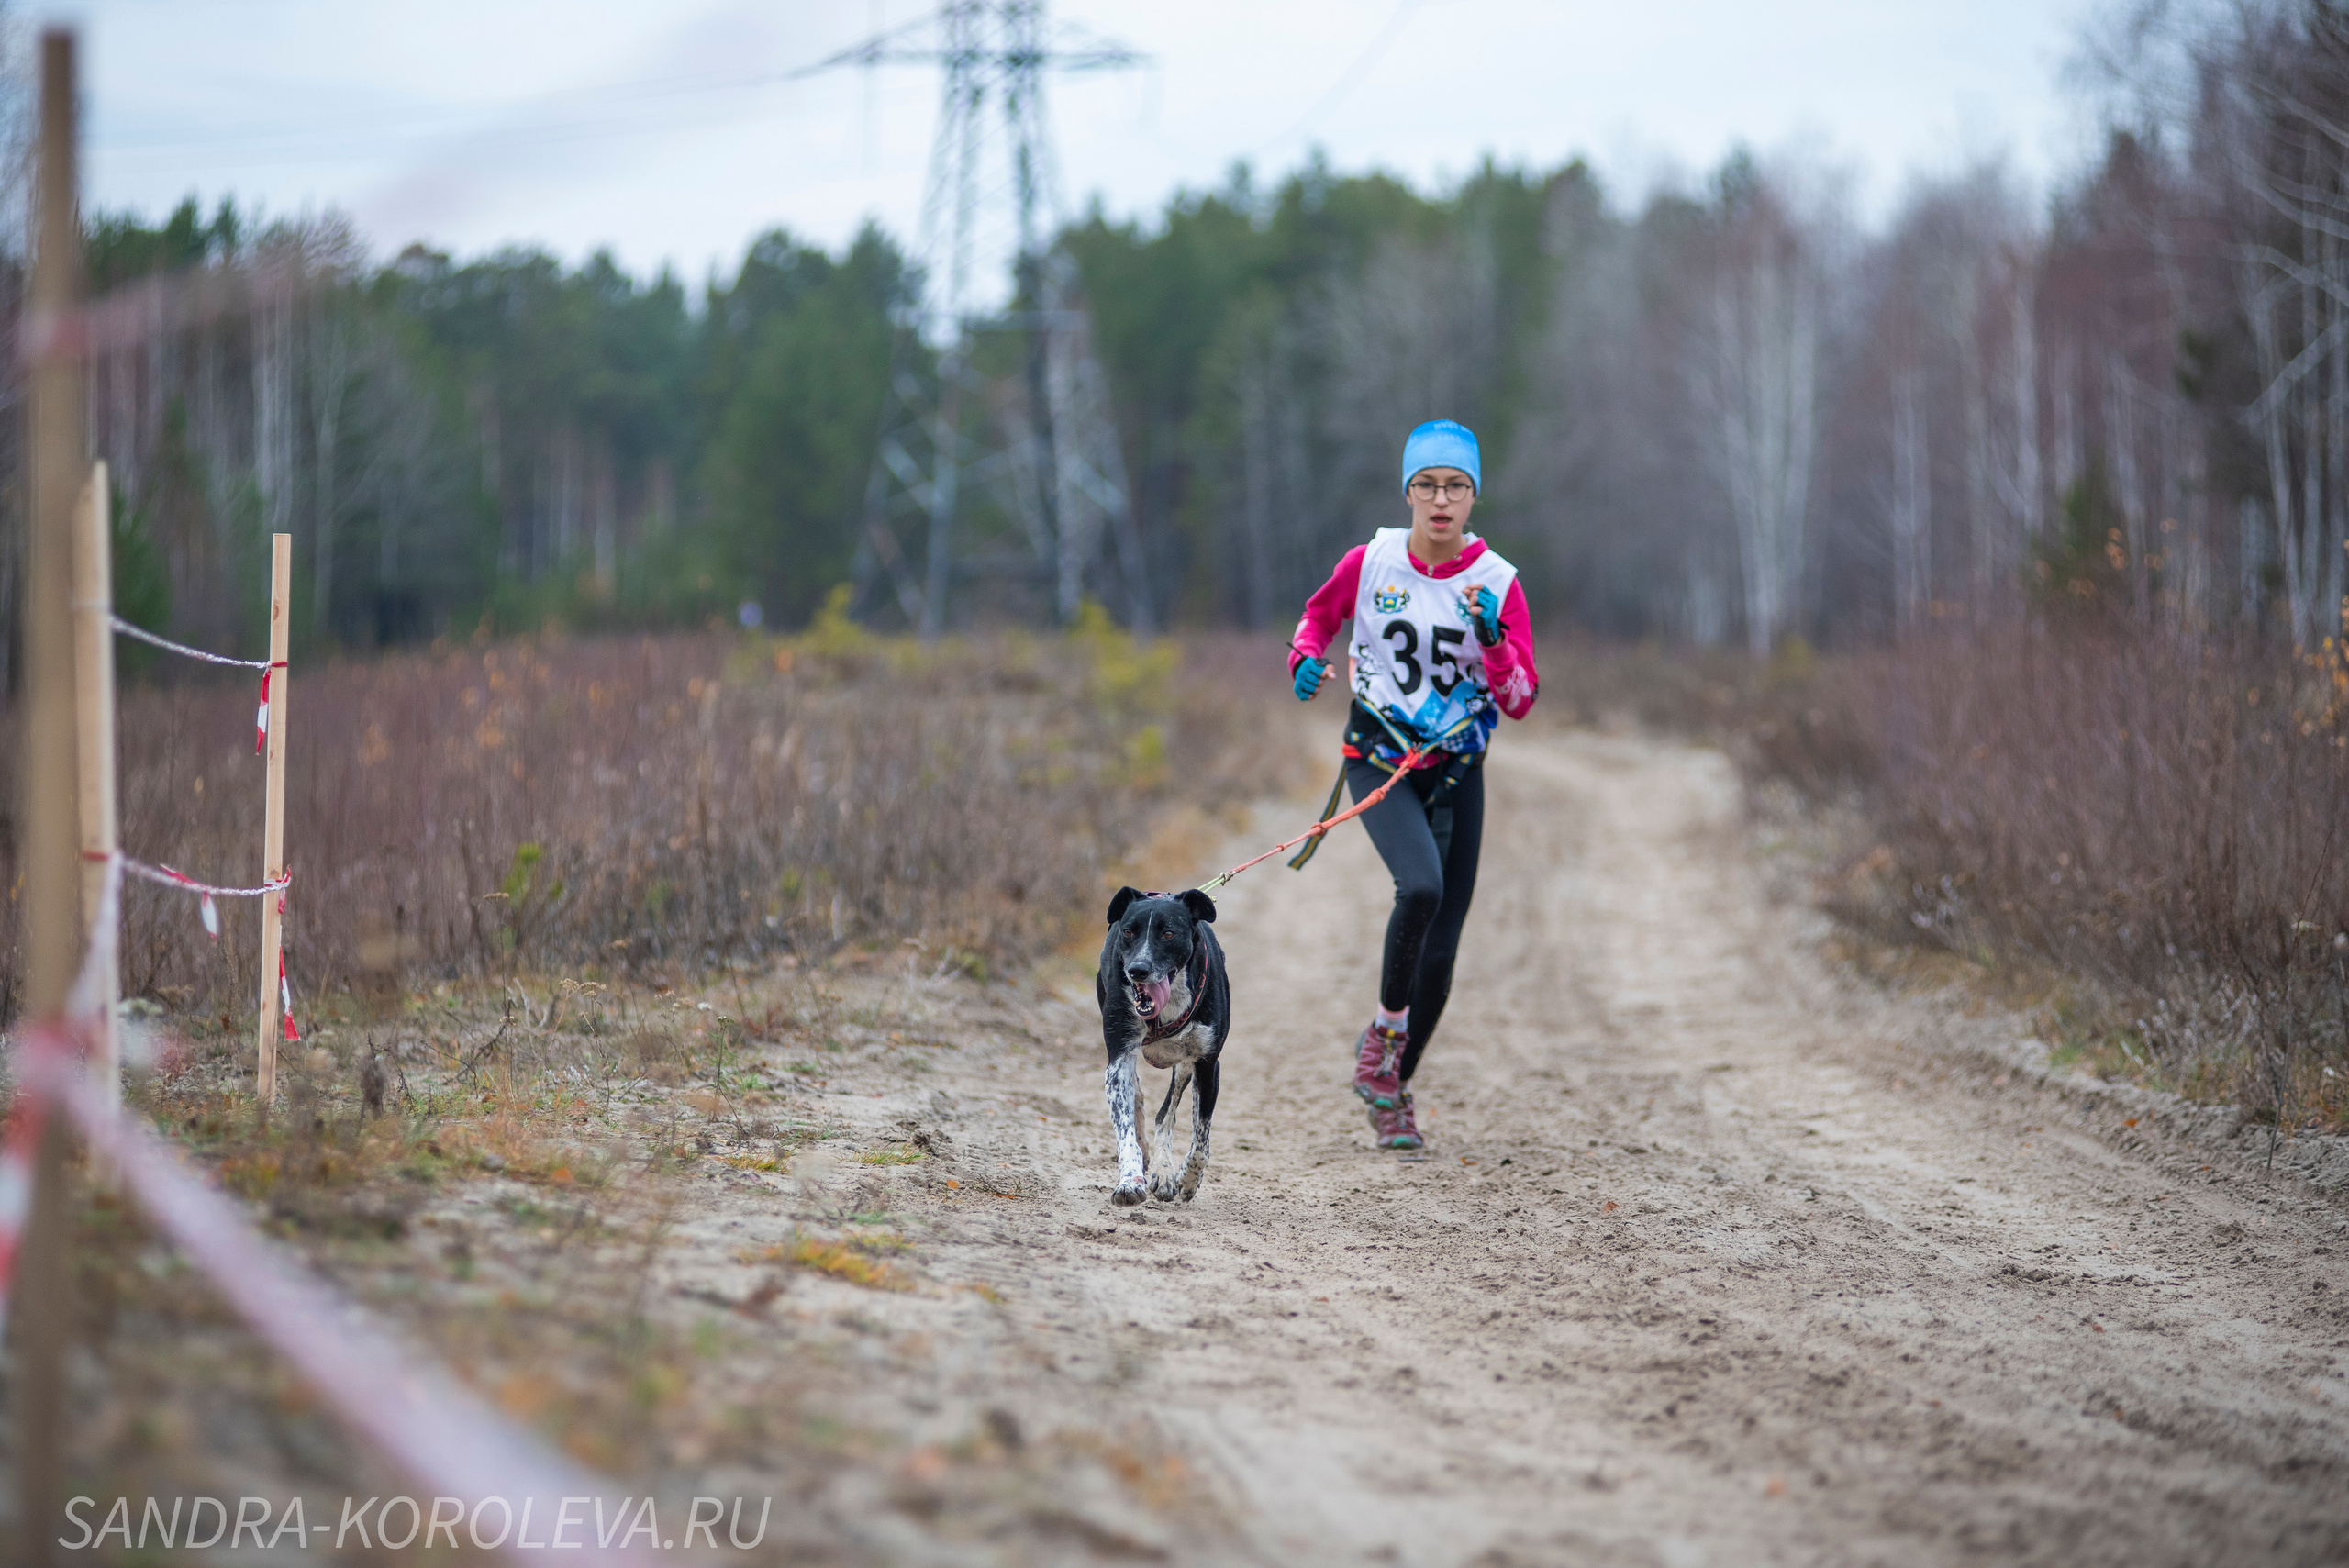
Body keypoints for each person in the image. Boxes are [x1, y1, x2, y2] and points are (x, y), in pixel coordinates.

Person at [1286, 419, 1539, 1151]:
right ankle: (1383, 1034)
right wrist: (1304, 660)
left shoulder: (1499, 583)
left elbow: (1520, 699)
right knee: (1420, 888)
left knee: (1442, 953)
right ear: (1407, 493)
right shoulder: (1371, 562)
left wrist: (1493, 642)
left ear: (1473, 496)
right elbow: (1316, 619)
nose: (1441, 500)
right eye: (1426, 485)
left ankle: (1392, 1088)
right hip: (1379, 755)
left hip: (1457, 770)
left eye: (1456, 486)